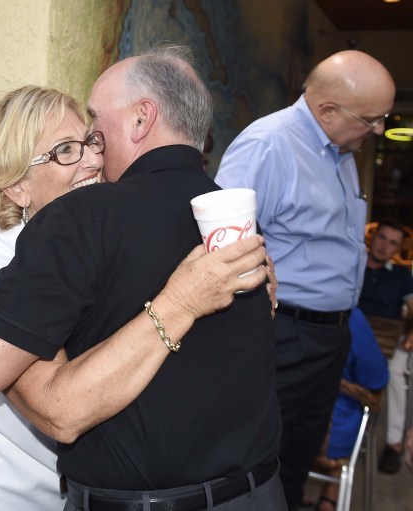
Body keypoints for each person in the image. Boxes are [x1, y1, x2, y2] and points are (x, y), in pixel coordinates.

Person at [0, 46, 284, 510]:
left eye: (92, 140)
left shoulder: (108, 224)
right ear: (16, 184)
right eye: (67, 151)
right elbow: (36, 399)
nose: (93, 160)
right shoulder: (1, 259)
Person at [215, 50, 396, 510]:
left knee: (296, 461)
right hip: (283, 333)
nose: (378, 130)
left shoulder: (341, 150)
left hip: (332, 335)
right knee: (258, 463)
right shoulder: (270, 145)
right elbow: (223, 246)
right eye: (371, 119)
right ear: (328, 110)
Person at [311, 307, 389, 511]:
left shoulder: (265, 303)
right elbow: (376, 379)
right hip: (327, 437)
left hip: (272, 429)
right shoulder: (348, 316)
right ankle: (330, 495)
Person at [356, 220, 413, 474]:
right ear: (373, 237)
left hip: (388, 339)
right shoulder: (355, 263)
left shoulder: (401, 275)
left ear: (398, 249)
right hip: (352, 333)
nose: (384, 246)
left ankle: (394, 443)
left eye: (393, 243)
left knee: (397, 371)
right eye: (382, 238)